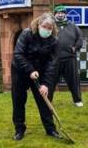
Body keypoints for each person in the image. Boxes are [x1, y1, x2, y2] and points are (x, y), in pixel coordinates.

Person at [11, 13, 61, 141]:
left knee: (44, 99)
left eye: (50, 28)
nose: (47, 30)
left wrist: (46, 84)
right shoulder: (27, 34)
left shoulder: (54, 41)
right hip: (21, 71)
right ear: (39, 24)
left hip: (41, 72)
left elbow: (52, 64)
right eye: (45, 26)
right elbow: (18, 54)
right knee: (19, 100)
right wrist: (30, 70)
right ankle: (19, 129)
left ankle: (51, 129)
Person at [53, 5, 84, 107]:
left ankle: (77, 100)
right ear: (55, 14)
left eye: (62, 13)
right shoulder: (51, 25)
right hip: (55, 58)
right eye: (58, 13)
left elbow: (80, 37)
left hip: (70, 57)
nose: (60, 14)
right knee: (51, 80)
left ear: (65, 14)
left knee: (73, 80)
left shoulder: (73, 26)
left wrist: (76, 47)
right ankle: (48, 100)